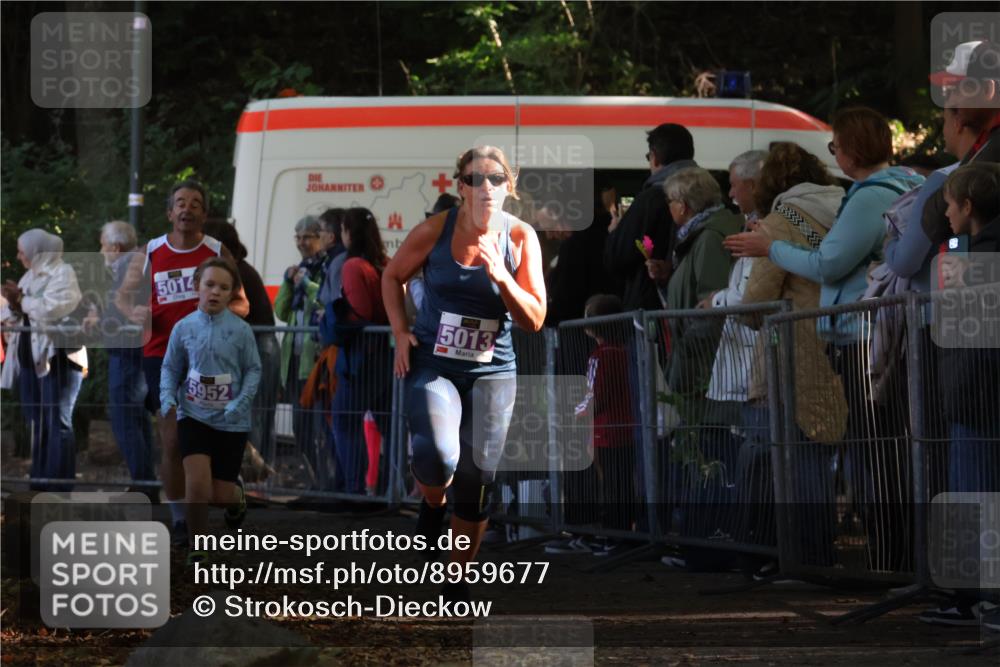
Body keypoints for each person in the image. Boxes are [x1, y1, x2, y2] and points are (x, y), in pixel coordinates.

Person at [383, 145, 546, 602]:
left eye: (496, 179)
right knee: (438, 454)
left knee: (477, 476)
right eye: (476, 179)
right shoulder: (436, 231)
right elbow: (391, 275)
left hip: (494, 371)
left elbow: (535, 319)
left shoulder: (520, 238)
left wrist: (503, 278)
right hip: (435, 364)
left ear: (509, 187)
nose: (486, 187)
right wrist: (400, 330)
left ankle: (456, 576)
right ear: (461, 187)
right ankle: (432, 504)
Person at [730, 142, 849, 570]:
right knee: (825, 451)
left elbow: (757, 299)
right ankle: (821, 552)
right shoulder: (847, 208)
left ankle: (796, 556)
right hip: (846, 345)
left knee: (789, 456)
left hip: (792, 353)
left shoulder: (781, 221)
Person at [116, 180, 249, 546]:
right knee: (173, 441)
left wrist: (217, 312)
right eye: (180, 203)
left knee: (212, 437)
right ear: (169, 212)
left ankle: (230, 491)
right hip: (161, 354)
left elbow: (242, 303)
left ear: (204, 214)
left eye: (195, 203)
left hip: (210, 357)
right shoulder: (151, 252)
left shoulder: (217, 249)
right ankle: (182, 522)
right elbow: (122, 298)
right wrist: (135, 311)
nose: (187, 208)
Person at [160, 257, 261, 565]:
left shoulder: (242, 331)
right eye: (210, 285)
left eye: (224, 287)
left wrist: (240, 402)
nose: (215, 292)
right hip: (193, 415)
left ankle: (236, 497)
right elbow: (171, 367)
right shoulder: (183, 328)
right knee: (197, 483)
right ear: (196, 287)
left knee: (218, 495)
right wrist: (168, 398)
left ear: (232, 294)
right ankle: (198, 546)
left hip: (231, 421)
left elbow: (254, 370)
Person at [1, 230, 87, 491]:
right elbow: (24, 313)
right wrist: (12, 308)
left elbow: (52, 308)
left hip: (59, 358)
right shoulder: (30, 275)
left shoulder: (63, 273)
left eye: (22, 251)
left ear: (37, 251)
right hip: (31, 360)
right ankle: (39, 483)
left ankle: (59, 487)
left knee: (57, 423)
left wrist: (21, 300)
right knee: (38, 423)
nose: (19, 256)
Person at [203, 220, 279, 469]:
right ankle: (254, 476)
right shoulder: (238, 270)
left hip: (258, 346)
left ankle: (251, 478)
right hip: (259, 345)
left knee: (253, 415)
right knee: (256, 414)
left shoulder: (236, 274)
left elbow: (239, 311)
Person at [90, 221, 155, 495]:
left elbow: (121, 307)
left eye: (103, 245)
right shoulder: (134, 263)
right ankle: (145, 483)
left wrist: (97, 318)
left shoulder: (130, 264)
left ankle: (144, 486)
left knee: (125, 419)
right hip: (133, 351)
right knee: (137, 419)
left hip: (128, 352)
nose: (101, 251)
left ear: (115, 247)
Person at [329, 207, 391, 495]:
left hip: (360, 360)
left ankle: (354, 490)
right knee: (390, 428)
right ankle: (387, 490)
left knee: (345, 422)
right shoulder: (383, 264)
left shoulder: (353, 266)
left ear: (348, 233)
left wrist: (335, 317)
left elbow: (361, 312)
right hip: (383, 360)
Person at [604, 123, 697, 310]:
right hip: (694, 299)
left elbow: (619, 257)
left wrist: (615, 233)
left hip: (653, 306)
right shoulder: (706, 192)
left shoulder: (652, 197)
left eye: (648, 157)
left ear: (654, 157)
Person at [274, 215, 330, 489]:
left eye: (308, 236)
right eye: (298, 237)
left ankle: (327, 482)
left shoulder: (327, 266)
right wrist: (288, 282)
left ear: (321, 238)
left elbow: (326, 298)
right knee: (300, 426)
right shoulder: (300, 269)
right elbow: (282, 311)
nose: (302, 242)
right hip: (294, 362)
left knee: (321, 428)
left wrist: (305, 283)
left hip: (317, 361)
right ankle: (313, 480)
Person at [317, 208, 348, 307]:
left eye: (320, 230)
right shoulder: (331, 259)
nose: (317, 235)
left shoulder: (339, 262)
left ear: (331, 237)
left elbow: (336, 303)